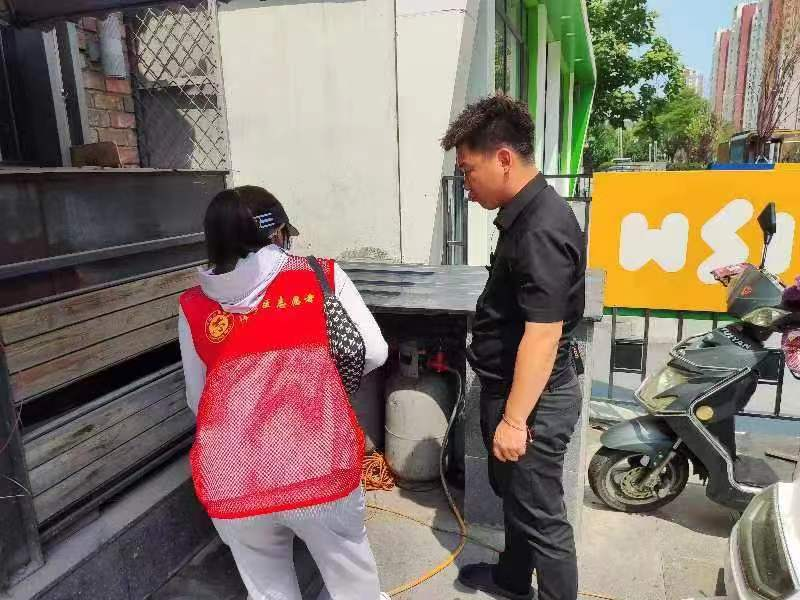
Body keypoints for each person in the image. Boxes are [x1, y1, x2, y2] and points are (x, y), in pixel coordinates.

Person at [177, 185, 390, 600]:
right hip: (319, 468)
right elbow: (374, 352)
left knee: (269, 592)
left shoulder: (193, 305)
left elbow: (198, 399)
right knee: (353, 585)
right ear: (277, 234)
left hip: (233, 478)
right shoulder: (320, 275)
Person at [442, 95, 586, 600]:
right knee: (518, 498)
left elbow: (543, 334)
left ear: (503, 158)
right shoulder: (523, 215)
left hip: (533, 400)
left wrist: (515, 420)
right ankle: (511, 579)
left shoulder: (541, 228)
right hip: (513, 391)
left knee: (543, 517)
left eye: (468, 170)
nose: (466, 183)